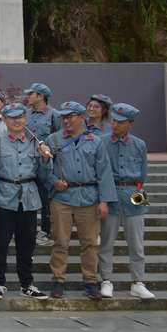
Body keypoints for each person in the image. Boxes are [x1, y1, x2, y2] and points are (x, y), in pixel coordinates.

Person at [44, 101, 116, 299]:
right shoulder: (53, 140)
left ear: (82, 117)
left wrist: (104, 201)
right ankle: (58, 280)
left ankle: (90, 281)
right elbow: (44, 169)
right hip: (62, 197)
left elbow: (104, 172)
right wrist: (53, 181)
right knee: (60, 241)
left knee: (90, 243)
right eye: (63, 117)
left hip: (89, 197)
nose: (66, 121)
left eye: (70, 117)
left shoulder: (95, 141)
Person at [0, 103, 52, 300]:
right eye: (12, 117)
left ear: (26, 119)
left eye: (21, 117)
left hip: (29, 198)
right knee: (0, 244)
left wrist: (45, 159)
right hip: (4, 197)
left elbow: (43, 175)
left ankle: (27, 284)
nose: (17, 121)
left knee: (27, 244)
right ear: (5, 120)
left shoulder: (35, 143)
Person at [98, 103, 154, 299]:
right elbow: (100, 172)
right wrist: (103, 199)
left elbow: (143, 173)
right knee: (106, 242)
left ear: (130, 124)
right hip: (110, 193)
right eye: (113, 120)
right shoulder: (102, 142)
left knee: (137, 244)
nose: (115, 125)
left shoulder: (139, 144)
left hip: (132, 195)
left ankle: (138, 282)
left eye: (121, 122)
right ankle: (106, 280)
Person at [24, 82, 61, 248]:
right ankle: (26, 230)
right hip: (27, 162)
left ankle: (46, 231)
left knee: (46, 199)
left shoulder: (55, 115)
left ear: (41, 96)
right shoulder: (26, 114)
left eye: (31, 94)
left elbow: (60, 138)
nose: (28, 97)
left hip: (46, 164)